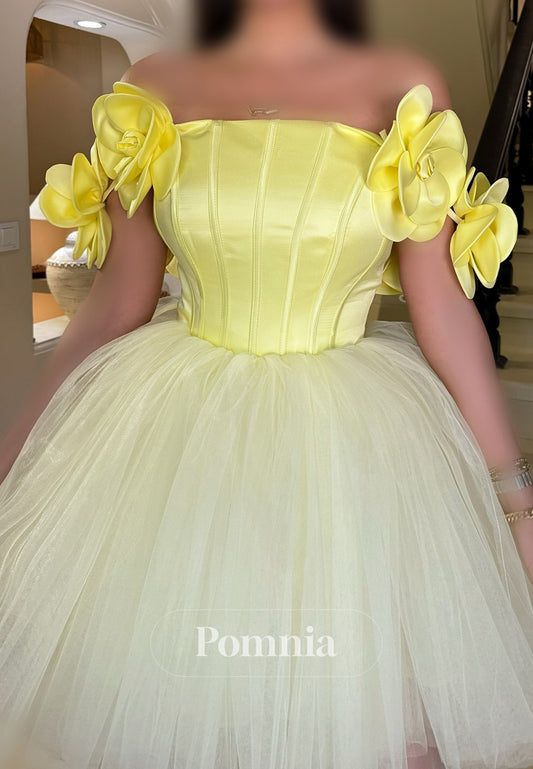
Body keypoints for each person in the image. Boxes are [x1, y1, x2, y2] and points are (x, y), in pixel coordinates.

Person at [1, 0, 533, 767]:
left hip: (351, 446)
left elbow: (442, 309)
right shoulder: (151, 87)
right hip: (184, 435)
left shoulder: (401, 86)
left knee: (355, 704)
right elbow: (116, 301)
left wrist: (513, 495)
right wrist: (17, 450)